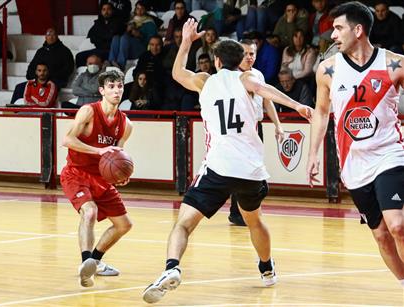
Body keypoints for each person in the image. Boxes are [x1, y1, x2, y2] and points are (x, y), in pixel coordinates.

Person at [142, 19, 312, 303]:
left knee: (183, 224)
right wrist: (296, 105)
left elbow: (176, 73)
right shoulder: (247, 78)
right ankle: (266, 269)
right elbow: (266, 91)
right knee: (254, 221)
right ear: (241, 61)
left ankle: (171, 268)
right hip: (251, 170)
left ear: (217, 61)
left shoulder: (204, 80)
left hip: (219, 167)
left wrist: (186, 41)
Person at [307, 1, 404, 286]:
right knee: (380, 235)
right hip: (353, 163)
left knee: (397, 226)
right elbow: (322, 112)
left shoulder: (393, 63)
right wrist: (313, 154)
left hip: (389, 154)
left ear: (358, 30)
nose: (333, 35)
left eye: (338, 28)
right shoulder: (327, 70)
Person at [60, 70, 133, 287]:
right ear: (101, 90)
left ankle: (95, 261)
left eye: (119, 86)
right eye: (111, 86)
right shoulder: (88, 112)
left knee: (124, 225)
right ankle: (85, 265)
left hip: (101, 178)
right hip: (76, 173)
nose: (116, 90)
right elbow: (67, 140)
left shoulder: (126, 124)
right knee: (89, 212)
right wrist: (97, 151)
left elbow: (117, 156)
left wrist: (120, 176)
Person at [229, 38, 285, 226]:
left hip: (256, 128)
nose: (248, 57)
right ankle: (237, 213)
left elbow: (267, 100)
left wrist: (277, 124)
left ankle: (246, 211)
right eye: (244, 53)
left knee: (253, 171)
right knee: (240, 172)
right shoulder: (230, 76)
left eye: (252, 53)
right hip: (238, 130)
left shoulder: (258, 75)